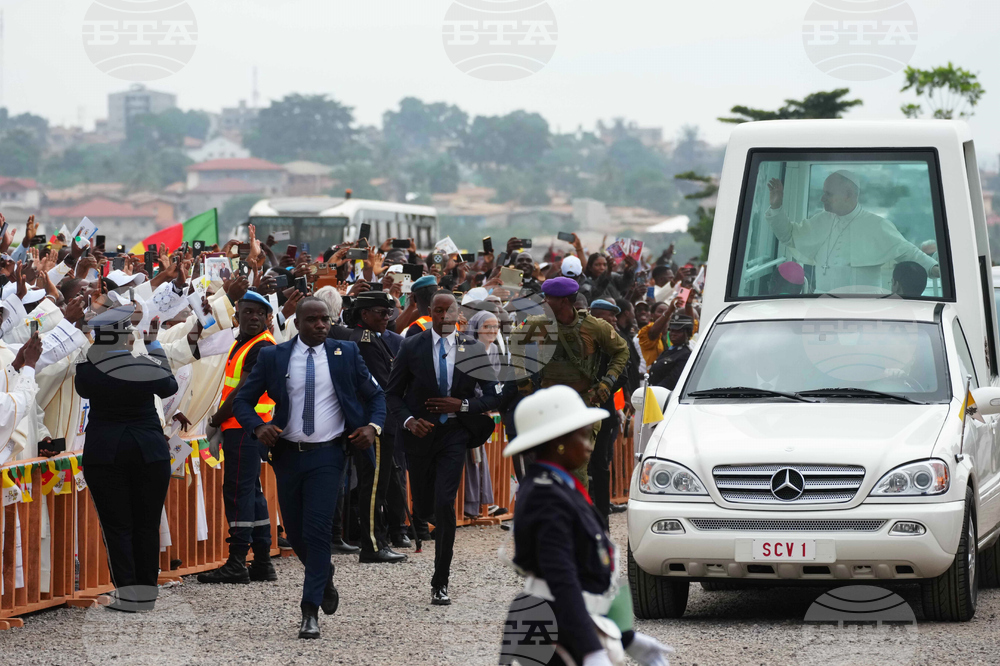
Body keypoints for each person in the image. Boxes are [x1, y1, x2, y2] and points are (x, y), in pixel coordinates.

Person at [232, 296, 386, 639]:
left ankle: (309, 610)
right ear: (298, 324)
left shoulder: (346, 354)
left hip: (329, 456)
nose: (321, 325)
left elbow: (377, 397)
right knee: (297, 533)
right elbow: (243, 399)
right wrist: (258, 426)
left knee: (317, 531)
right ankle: (323, 573)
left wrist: (372, 427)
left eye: (325, 320)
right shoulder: (275, 356)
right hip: (287, 454)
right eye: (313, 320)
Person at [501, 385, 674, 666]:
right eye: (582, 435)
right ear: (557, 442)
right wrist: (590, 649)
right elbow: (562, 578)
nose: (590, 443)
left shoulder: (560, 485)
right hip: (550, 629)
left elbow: (592, 571)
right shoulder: (545, 495)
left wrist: (626, 636)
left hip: (565, 621)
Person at [385, 290, 501, 606]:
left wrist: (462, 405)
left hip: (455, 434)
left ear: (457, 314)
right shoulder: (411, 346)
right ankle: (425, 517)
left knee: (445, 502)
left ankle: (441, 581)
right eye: (438, 311)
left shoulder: (473, 348)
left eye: (449, 311)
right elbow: (392, 395)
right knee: (425, 506)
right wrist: (409, 421)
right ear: (431, 312)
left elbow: (493, 396)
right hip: (420, 435)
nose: (443, 317)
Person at [77, 304, 179, 612]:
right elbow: (169, 385)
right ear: (126, 338)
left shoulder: (89, 369)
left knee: (117, 525)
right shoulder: (143, 363)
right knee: (146, 523)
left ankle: (127, 594)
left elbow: (83, 389)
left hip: (106, 451)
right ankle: (146, 593)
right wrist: (154, 346)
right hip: (148, 450)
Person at [509, 277, 629, 489]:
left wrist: (607, 382)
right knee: (547, 463)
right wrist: (522, 379)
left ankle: (576, 510)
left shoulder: (595, 326)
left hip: (582, 403)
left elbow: (622, 350)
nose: (544, 302)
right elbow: (515, 339)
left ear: (565, 301)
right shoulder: (539, 323)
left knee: (577, 466)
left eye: (549, 299)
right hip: (549, 406)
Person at [199, 291, 277, 585]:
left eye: (260, 313)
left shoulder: (260, 347)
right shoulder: (243, 344)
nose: (254, 317)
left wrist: (215, 421)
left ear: (269, 318)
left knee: (237, 492)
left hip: (245, 427)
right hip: (244, 427)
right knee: (252, 493)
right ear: (237, 316)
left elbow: (241, 392)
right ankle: (262, 562)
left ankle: (236, 562)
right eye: (248, 312)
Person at [766, 170, 939, 293]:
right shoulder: (821, 220)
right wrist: (776, 207)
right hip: (823, 306)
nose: (822, 198)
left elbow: (907, 251)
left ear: (848, 194)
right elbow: (788, 235)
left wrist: (934, 268)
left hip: (864, 308)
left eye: (828, 194)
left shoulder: (876, 225)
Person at [343, 291, 407, 563]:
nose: (387, 318)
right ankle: (372, 544)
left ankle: (378, 539)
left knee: (378, 485)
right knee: (373, 486)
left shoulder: (373, 337)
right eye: (381, 312)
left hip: (380, 420)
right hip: (374, 422)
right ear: (364, 314)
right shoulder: (365, 341)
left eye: (389, 312)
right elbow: (383, 382)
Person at [648, 315, 694, 390]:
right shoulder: (669, 351)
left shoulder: (686, 354)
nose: (673, 334)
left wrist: (654, 392)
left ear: (687, 333)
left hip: (665, 396)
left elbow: (672, 381)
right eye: (672, 330)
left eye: (678, 331)